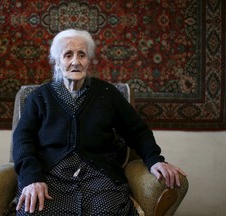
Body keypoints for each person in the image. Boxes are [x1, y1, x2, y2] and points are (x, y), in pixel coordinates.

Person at [13, 29, 187, 215]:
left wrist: (155, 160)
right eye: (68, 55)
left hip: (99, 176)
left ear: (88, 61)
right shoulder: (39, 97)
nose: (75, 62)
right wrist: (32, 177)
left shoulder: (107, 94)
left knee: (109, 212)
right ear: (56, 62)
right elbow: (23, 140)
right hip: (50, 176)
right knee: (34, 210)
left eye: (82, 55)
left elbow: (137, 131)